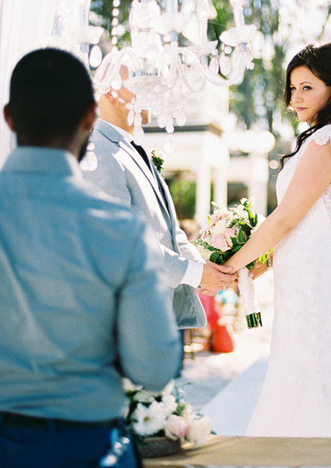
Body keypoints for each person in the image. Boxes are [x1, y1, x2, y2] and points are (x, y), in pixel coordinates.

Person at [0, 48, 182, 468]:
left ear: (8, 117)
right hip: (90, 448)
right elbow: (154, 366)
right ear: (90, 121)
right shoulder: (121, 231)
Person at [222, 43, 331, 463]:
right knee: (304, 375)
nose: (296, 98)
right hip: (309, 273)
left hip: (315, 280)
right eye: (292, 89)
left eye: (307, 87)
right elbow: (301, 225)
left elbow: (287, 218)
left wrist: (232, 263)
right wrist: (259, 264)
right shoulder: (329, 137)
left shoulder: (328, 138)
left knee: (309, 378)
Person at [84, 56, 236, 329]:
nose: (150, 91)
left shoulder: (131, 148)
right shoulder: (100, 150)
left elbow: (170, 231)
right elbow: (123, 241)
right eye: (139, 82)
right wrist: (196, 273)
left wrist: (209, 272)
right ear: (109, 90)